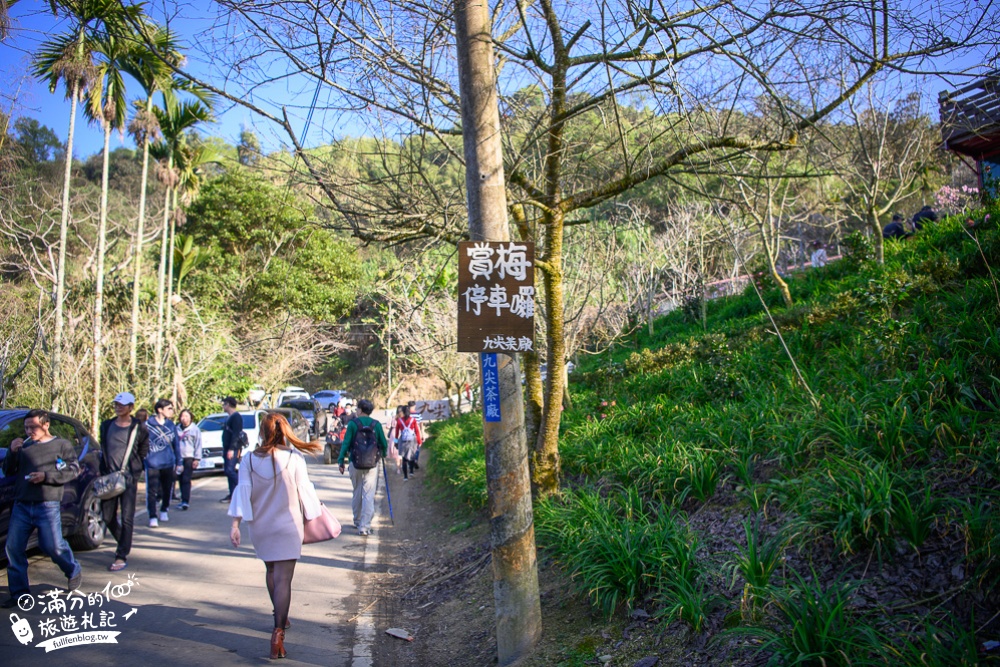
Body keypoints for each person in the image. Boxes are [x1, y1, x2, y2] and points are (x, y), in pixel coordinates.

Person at [228, 412, 324, 660]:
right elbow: (306, 494)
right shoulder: (294, 458)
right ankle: (278, 631)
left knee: (271, 572)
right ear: (286, 432)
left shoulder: (248, 460)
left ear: (262, 432)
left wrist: (235, 525)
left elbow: (242, 493)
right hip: (288, 526)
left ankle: (279, 615)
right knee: (284, 581)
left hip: (261, 527)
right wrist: (315, 514)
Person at [2, 409, 83, 608]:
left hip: (46, 504)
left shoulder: (61, 445)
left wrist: (46, 477)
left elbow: (73, 470)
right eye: (26, 427)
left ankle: (72, 569)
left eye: (33, 427)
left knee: (53, 546)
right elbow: (8, 470)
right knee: (13, 549)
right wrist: (12, 452)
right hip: (22, 505)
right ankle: (20, 594)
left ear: (46, 425)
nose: (30, 431)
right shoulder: (25, 446)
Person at [100, 392, 149, 572]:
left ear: (131, 407)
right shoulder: (106, 425)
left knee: (127, 517)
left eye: (122, 404)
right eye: (116, 404)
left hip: (128, 477)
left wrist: (136, 470)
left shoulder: (139, 427)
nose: (118, 407)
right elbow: (103, 448)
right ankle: (124, 540)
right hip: (109, 478)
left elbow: (144, 448)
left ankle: (121, 554)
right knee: (107, 516)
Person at [338, 399, 388, 536]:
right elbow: (384, 443)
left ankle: (357, 520)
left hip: (355, 462)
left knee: (357, 491)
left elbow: (346, 443)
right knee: (368, 495)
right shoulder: (376, 425)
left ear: (360, 410)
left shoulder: (353, 424)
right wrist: (382, 455)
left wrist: (341, 460)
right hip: (372, 464)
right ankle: (364, 527)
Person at [145, 399, 181, 527]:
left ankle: (164, 509)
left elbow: (176, 444)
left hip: (168, 462)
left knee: (167, 489)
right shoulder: (147, 425)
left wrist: (179, 461)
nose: (171, 411)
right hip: (152, 463)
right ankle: (152, 515)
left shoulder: (171, 425)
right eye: (169, 408)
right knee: (152, 491)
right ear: (160, 410)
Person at [177, 409, 203, 510]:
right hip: (179, 457)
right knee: (180, 478)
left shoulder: (195, 429)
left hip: (189, 457)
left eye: (187, 416)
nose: (184, 418)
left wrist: (197, 459)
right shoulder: (177, 429)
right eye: (182, 416)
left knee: (186, 479)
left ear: (191, 418)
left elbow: (198, 444)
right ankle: (182, 497)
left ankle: (185, 501)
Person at [220, 396, 244, 503]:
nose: (223, 406)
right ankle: (232, 494)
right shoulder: (229, 417)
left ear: (228, 404)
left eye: (224, 404)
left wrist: (232, 449)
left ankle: (243, 488)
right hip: (226, 447)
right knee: (228, 471)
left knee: (230, 470)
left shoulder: (236, 417)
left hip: (232, 448)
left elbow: (236, 434)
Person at [389, 404, 422, 481]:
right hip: (412, 440)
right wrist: (419, 441)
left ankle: (405, 477)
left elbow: (397, 433)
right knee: (411, 456)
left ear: (403, 412)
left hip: (403, 440)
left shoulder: (399, 421)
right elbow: (417, 431)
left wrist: (396, 442)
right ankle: (411, 472)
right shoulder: (413, 420)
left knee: (404, 458)